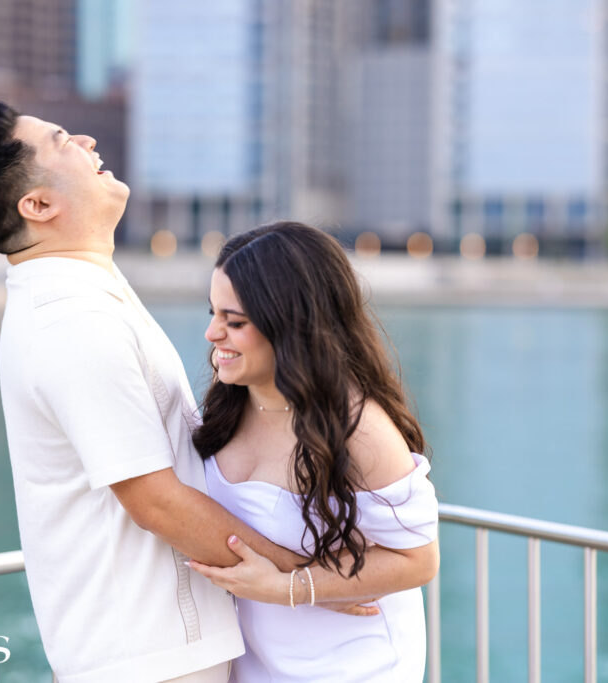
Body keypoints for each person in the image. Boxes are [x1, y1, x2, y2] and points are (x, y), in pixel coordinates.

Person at [0, 102, 311, 682]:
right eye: (62, 140)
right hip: (149, 655)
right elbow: (154, 500)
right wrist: (307, 579)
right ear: (38, 206)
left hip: (153, 646)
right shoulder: (71, 321)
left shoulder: (82, 292)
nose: (86, 139)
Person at [187, 222, 441, 682]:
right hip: (251, 661)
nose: (212, 333)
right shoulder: (228, 404)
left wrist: (288, 587)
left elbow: (419, 560)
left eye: (235, 322)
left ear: (291, 323)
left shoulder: (359, 429)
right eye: (213, 313)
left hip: (350, 666)